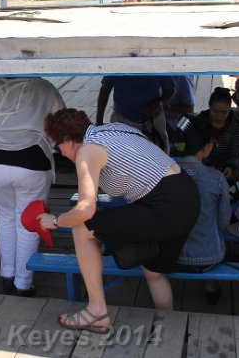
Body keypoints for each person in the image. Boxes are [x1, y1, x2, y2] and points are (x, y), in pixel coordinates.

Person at [40, 108, 200, 332]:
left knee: (81, 227)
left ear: (67, 140)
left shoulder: (87, 151)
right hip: (186, 195)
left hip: (164, 204)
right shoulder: (114, 129)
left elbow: (85, 209)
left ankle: (97, 311)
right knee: (153, 271)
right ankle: (169, 325)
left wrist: (56, 221)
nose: (61, 153)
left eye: (58, 147)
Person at [0, 77, 65, 297]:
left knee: (6, 216)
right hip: (32, 159)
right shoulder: (45, 87)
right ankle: (23, 284)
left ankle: (7, 275)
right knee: (29, 219)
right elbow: (60, 125)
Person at [175, 116, 231, 304]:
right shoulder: (216, 178)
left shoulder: (164, 174)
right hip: (207, 259)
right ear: (207, 148)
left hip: (170, 257)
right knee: (215, 232)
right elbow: (223, 223)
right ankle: (211, 285)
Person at [95, 75, 175, 153]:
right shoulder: (117, 66)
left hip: (153, 121)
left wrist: (157, 104)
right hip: (123, 122)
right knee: (124, 160)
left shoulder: (156, 64)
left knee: (161, 158)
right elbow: (104, 91)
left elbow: (171, 90)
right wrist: (99, 122)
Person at [198, 87, 239, 184]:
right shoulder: (199, 122)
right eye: (215, 111)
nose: (219, 116)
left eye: (224, 112)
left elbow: (236, 152)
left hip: (227, 170)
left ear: (230, 108)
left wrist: (230, 166)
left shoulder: (238, 125)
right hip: (201, 168)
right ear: (209, 107)